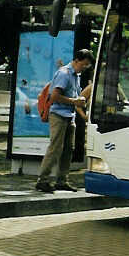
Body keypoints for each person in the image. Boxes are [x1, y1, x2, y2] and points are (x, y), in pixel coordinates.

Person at [35, 49, 94, 193]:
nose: (84, 68)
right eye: (84, 65)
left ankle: (62, 180)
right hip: (59, 115)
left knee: (68, 149)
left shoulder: (76, 75)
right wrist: (74, 101)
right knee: (55, 148)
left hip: (69, 116)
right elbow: (54, 96)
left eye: (87, 66)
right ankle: (42, 180)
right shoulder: (64, 74)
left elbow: (74, 94)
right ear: (77, 60)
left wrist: (79, 101)